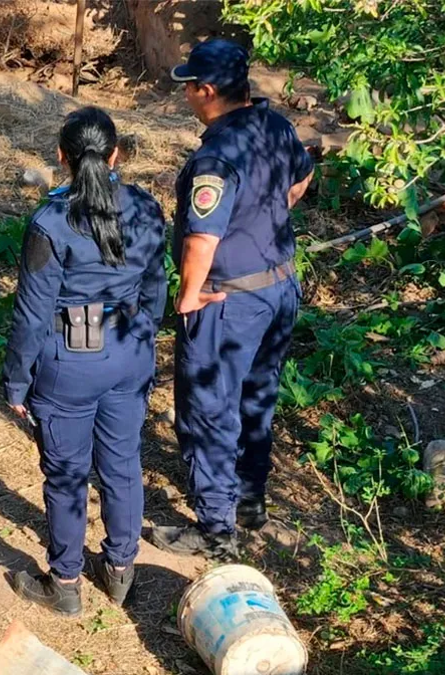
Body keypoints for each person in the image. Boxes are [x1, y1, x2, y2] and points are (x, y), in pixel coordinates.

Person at [150, 39, 313, 559]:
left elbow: (202, 239)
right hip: (279, 285)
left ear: (207, 91)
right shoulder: (275, 126)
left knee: (209, 408)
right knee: (256, 398)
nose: (185, 98)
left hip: (229, 300)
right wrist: (265, 221)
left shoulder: (216, 158)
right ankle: (249, 500)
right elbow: (301, 178)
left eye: (188, 89)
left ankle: (216, 529)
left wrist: (188, 295)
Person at [3, 107, 168, 616]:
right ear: (116, 154)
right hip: (128, 348)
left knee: (67, 474)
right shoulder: (145, 207)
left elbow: (32, 316)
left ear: (61, 157)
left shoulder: (51, 222)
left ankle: (66, 582)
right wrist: (144, 336)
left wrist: (15, 383)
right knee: (122, 464)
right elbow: (156, 286)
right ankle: (120, 571)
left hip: (72, 354)